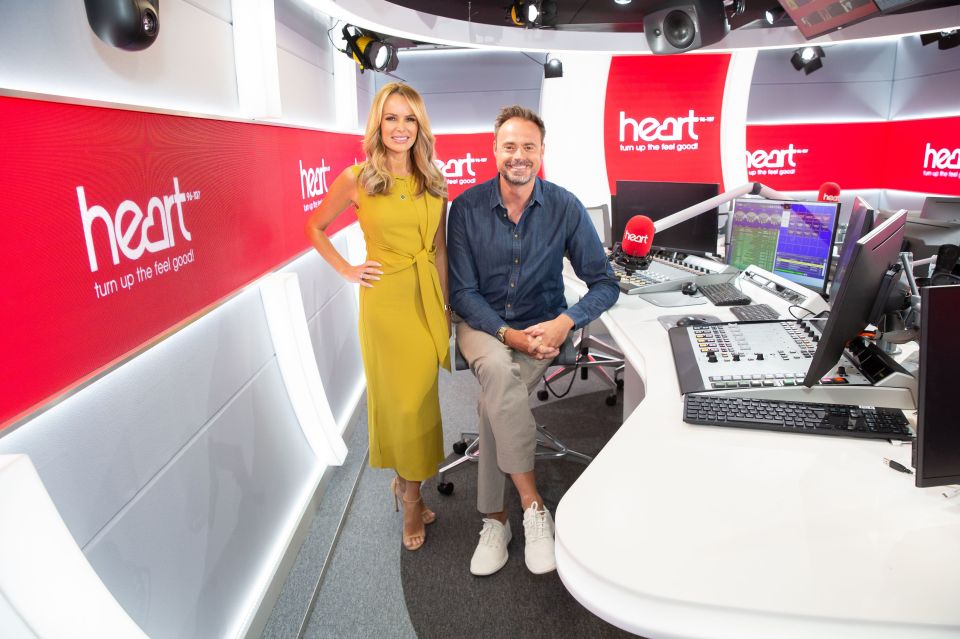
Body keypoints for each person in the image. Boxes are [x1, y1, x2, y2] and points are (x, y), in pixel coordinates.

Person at [447, 105, 619, 576]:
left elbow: (604, 282)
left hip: (543, 327)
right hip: (481, 326)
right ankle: (532, 505)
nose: (518, 156)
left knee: (491, 403)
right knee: (499, 372)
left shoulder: (564, 205)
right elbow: (461, 291)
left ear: (542, 151)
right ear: (494, 150)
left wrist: (566, 321)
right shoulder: (464, 209)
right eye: (509, 147)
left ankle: (494, 520)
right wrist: (509, 336)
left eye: (528, 147)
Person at [305, 83, 450, 552]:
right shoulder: (357, 178)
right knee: (403, 405)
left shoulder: (434, 178)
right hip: (385, 304)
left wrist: (445, 308)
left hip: (427, 301)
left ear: (420, 126)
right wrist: (347, 269)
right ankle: (411, 499)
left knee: (424, 401)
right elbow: (315, 226)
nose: (401, 128)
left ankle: (408, 485)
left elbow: (440, 249)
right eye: (392, 118)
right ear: (378, 124)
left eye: (410, 119)